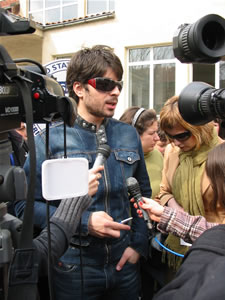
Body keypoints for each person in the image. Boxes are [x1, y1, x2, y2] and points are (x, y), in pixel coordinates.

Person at [15, 45, 151, 300]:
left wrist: (138, 244)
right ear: (78, 88)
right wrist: (84, 222)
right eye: (104, 84)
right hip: (73, 268)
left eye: (118, 84)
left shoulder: (127, 133)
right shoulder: (50, 141)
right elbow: (24, 206)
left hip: (125, 265)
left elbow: (142, 193)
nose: (116, 92)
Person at [157, 95, 224, 273]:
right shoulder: (172, 151)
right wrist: (176, 209)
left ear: (200, 128)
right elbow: (164, 192)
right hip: (178, 251)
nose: (176, 143)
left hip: (214, 253)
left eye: (182, 136)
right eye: (170, 137)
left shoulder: (221, 155)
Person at [119, 107, 163, 198]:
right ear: (133, 134)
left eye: (156, 132)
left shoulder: (157, 154)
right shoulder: (118, 160)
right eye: (151, 133)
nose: (157, 138)